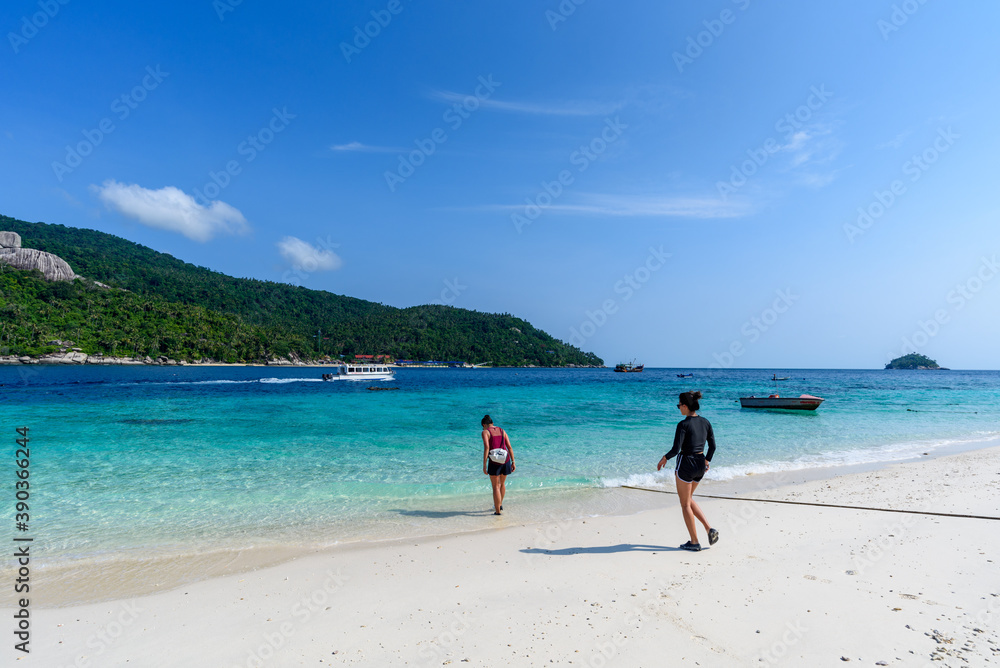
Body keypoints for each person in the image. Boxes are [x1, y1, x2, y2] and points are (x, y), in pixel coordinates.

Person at [657, 391, 719, 552]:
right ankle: (708, 528)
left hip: (686, 464)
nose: (679, 408)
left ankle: (694, 542)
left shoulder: (683, 424)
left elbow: (676, 449)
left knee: (685, 504)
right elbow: (712, 446)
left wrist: (665, 458)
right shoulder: (706, 422)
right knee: (689, 498)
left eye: (679, 405)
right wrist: (707, 460)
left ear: (685, 406)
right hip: (700, 464)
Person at [481, 415, 514, 515]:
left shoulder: (485, 432)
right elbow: (509, 447)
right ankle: (499, 505)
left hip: (494, 462)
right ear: (492, 423)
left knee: (495, 486)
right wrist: (513, 461)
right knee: (502, 484)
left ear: (484, 425)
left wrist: (484, 465)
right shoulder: (502, 430)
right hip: (506, 459)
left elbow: (487, 447)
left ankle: (498, 511)